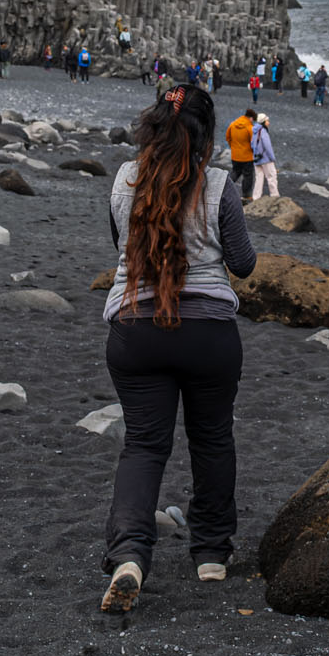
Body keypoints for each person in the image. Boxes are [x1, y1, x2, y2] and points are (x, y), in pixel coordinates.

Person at [98, 84, 257, 612]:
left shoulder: (125, 177)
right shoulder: (217, 184)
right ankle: (211, 554)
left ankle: (129, 556)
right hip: (208, 332)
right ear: (205, 134)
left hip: (136, 327)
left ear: (152, 127)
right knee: (212, 439)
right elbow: (243, 262)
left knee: (143, 445)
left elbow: (119, 242)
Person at [225, 107, 256, 197]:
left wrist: (233, 147)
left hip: (235, 155)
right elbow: (253, 143)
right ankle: (246, 195)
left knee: (235, 172)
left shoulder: (233, 124)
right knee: (248, 176)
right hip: (247, 157)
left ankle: (225, 187)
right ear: (250, 118)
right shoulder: (250, 128)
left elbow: (228, 137)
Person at [251, 112, 279, 198]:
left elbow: (252, 144)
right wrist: (272, 158)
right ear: (263, 122)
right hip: (265, 159)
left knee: (259, 178)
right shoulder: (263, 131)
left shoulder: (255, 131)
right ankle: (274, 195)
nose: (268, 122)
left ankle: (256, 197)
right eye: (267, 121)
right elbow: (267, 146)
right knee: (271, 176)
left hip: (257, 159)